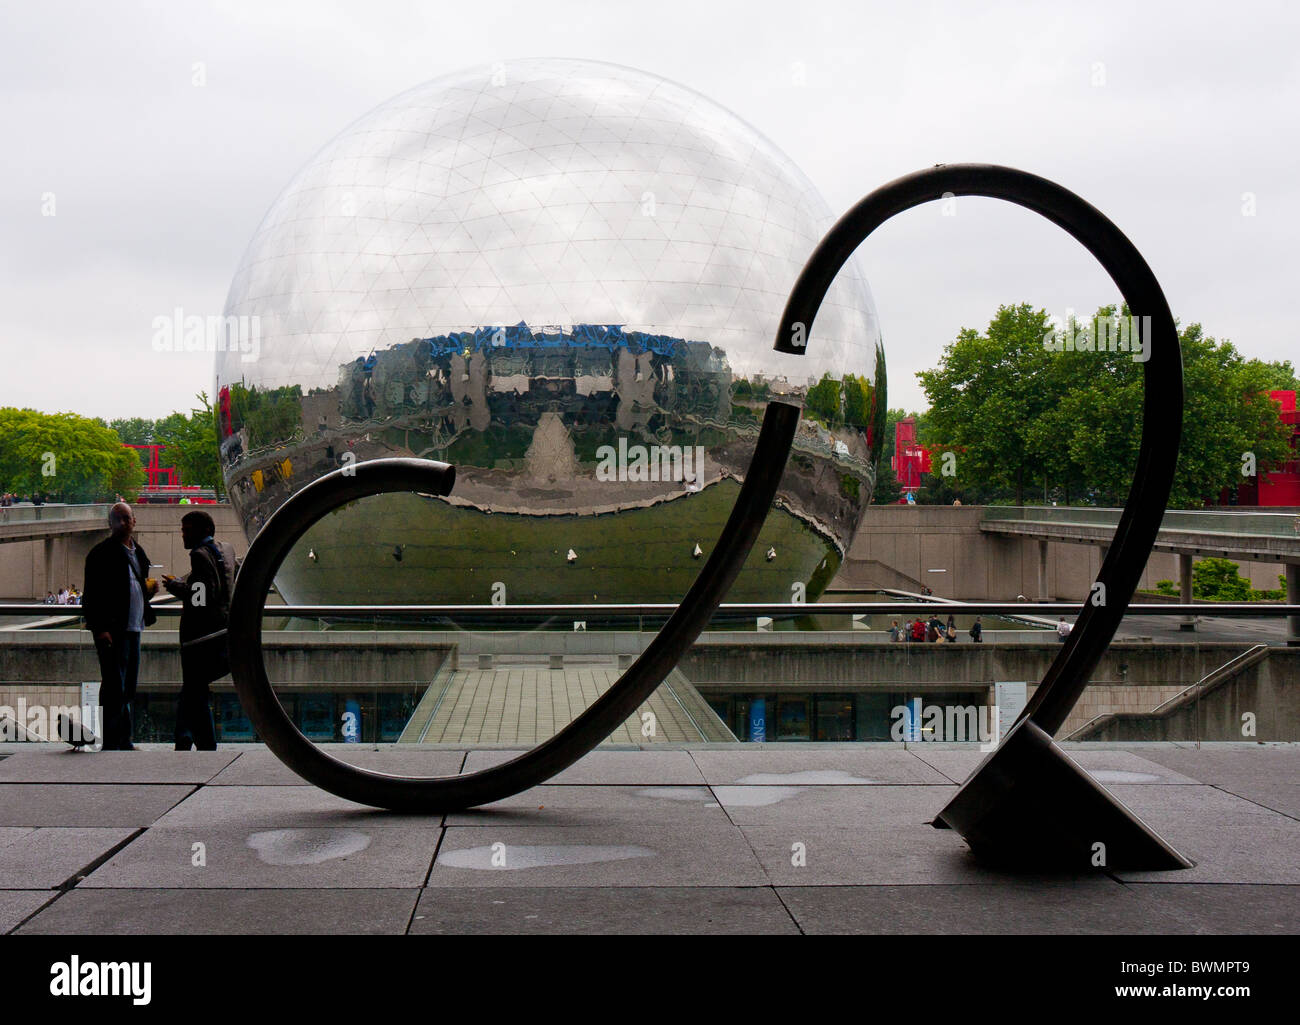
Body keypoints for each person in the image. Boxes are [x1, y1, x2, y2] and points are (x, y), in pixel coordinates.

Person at [82, 503, 158, 750]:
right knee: (114, 685)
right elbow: (92, 595)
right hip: (113, 631)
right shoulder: (100, 553)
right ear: (110, 524)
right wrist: (100, 628)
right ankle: (114, 741)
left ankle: (123, 739)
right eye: (118, 519)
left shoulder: (139, 553)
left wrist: (149, 592)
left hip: (133, 627)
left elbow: (135, 586)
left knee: (127, 687)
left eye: (126, 518)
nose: (123, 523)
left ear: (134, 521)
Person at [163, 510, 236, 751]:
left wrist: (175, 587)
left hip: (200, 638)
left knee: (195, 690)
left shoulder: (199, 556)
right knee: (194, 689)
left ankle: (204, 742)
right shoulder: (224, 550)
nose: (182, 535)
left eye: (186, 529)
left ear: (202, 530)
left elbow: (200, 599)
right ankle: (184, 737)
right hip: (221, 631)